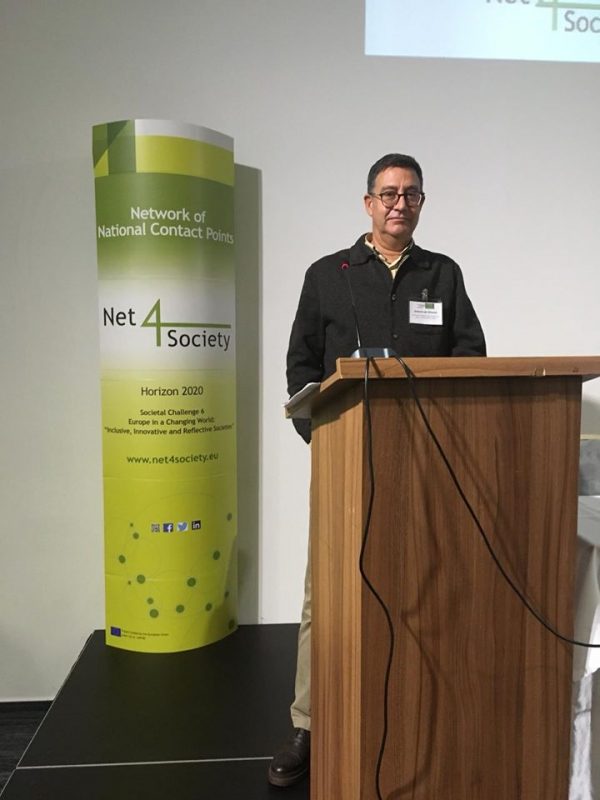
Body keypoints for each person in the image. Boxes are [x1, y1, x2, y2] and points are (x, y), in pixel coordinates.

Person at [267, 153, 486, 788]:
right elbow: (301, 365)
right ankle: (309, 724)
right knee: (325, 594)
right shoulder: (328, 274)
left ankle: (421, 710)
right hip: (345, 459)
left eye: (410, 194)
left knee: (426, 581)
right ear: (368, 203)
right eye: (388, 193)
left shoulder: (442, 274)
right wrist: (321, 437)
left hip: (425, 461)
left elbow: (470, 356)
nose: (399, 204)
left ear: (421, 203)